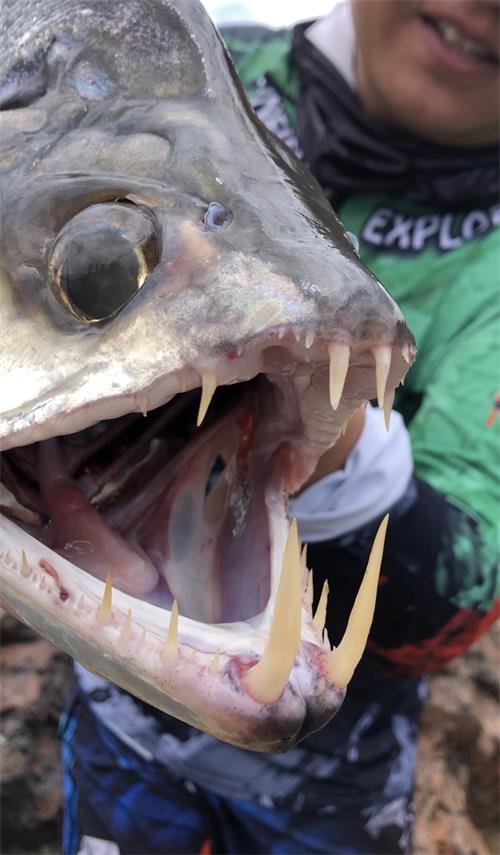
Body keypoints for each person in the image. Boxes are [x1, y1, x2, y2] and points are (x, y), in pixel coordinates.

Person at [61, 2, 499, 853]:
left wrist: (329, 439)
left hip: (331, 771)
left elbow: (456, 601)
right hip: (116, 714)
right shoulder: (166, 59)